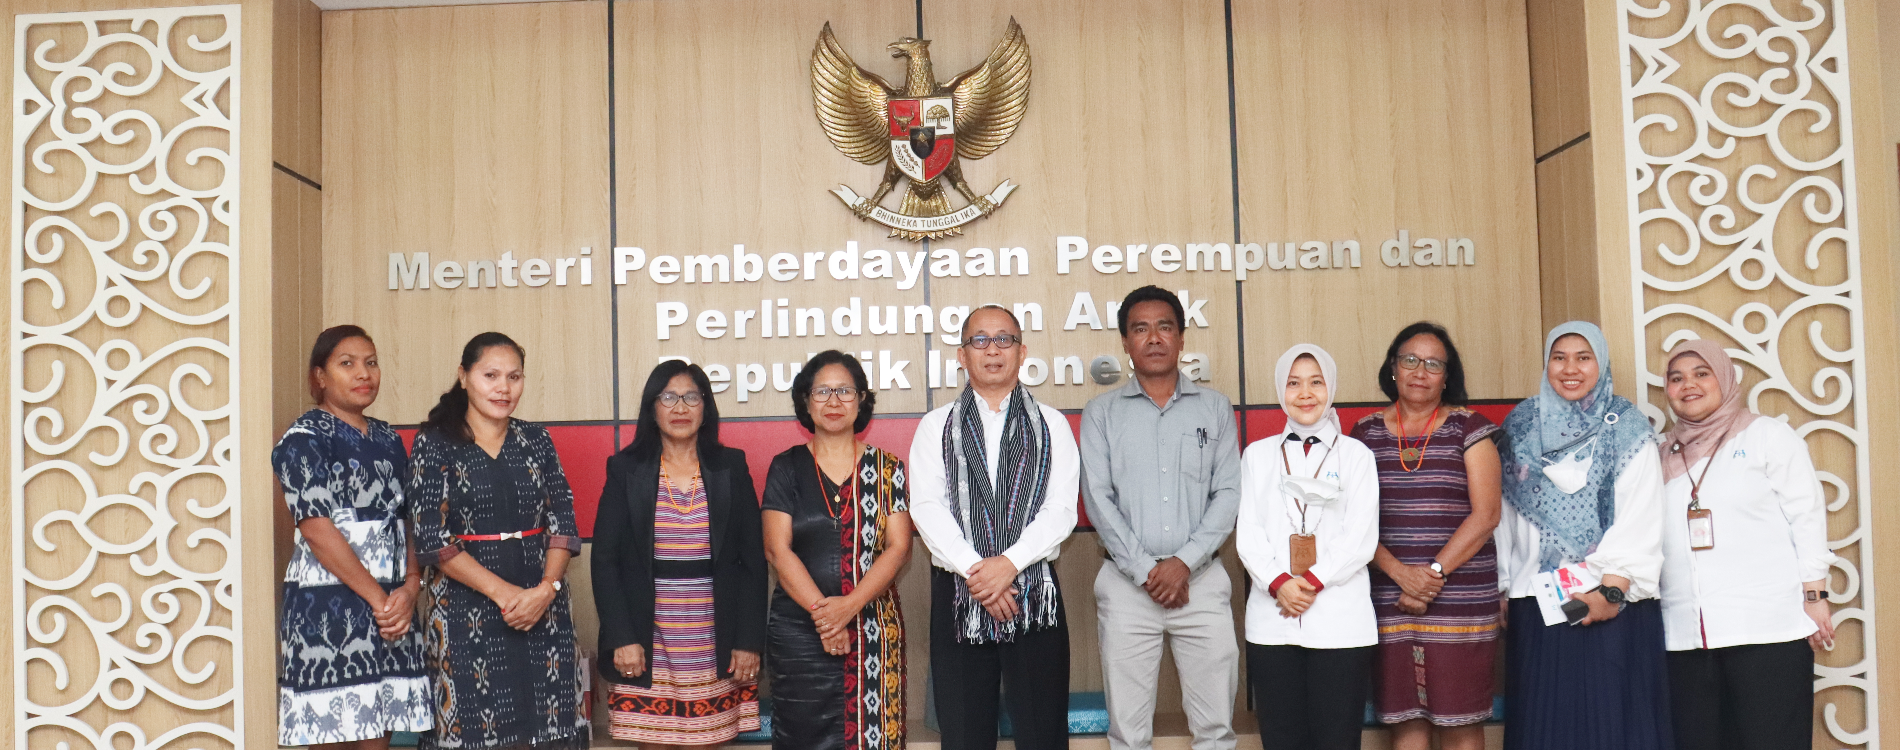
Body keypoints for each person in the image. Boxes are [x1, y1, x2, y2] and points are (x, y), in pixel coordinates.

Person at [907, 304, 1080, 750]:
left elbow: (1061, 510)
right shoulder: (935, 426)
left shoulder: (1052, 424)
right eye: (979, 340)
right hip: (959, 592)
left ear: (1022, 352)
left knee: (1043, 733)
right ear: (962, 355)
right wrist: (981, 574)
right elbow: (927, 509)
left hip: (1032, 591)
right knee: (965, 735)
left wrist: (1009, 564)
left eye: (1004, 339)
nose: (992, 350)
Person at [1080, 286, 1242, 750]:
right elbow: (1098, 499)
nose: (1154, 338)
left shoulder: (1215, 408)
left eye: (1164, 327)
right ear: (1125, 342)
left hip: (1202, 583)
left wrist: (1183, 563)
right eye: (1141, 328)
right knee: (1128, 735)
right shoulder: (1101, 413)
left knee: (1216, 731)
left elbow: (1228, 493)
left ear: (1182, 338)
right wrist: (1147, 570)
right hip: (1127, 586)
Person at [1495, 321, 1671, 750]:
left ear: (1601, 363)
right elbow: (1503, 512)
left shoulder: (1626, 425)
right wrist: (1503, 583)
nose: (1570, 369)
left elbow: (1642, 511)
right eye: (1559, 358)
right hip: (1536, 601)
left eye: (1583, 357)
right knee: (1546, 725)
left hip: (1610, 598)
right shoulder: (1521, 425)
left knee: (1609, 725)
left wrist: (1611, 591)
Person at [408, 332, 587, 750]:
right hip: (464, 610)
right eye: (490, 375)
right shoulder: (435, 442)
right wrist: (507, 595)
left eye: (514, 377)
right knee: (476, 730)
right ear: (464, 376)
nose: (503, 388)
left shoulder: (537, 439)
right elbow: (431, 537)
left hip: (544, 609)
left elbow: (562, 523)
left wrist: (545, 591)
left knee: (550, 729)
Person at [1656, 340, 1835, 750]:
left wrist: (1815, 595)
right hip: (1683, 638)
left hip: (1766, 629)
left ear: (1725, 379)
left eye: (1702, 374)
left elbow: (1806, 515)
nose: (1688, 385)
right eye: (1677, 378)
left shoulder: (1767, 436)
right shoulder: (1659, 452)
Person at [274, 325, 432, 749]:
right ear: (320, 376)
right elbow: (316, 530)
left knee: (378, 732)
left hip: (392, 609)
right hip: (329, 605)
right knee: (334, 731)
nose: (364, 373)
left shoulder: (388, 438)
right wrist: (380, 601)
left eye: (371, 362)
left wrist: (410, 587)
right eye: (347, 364)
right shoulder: (304, 437)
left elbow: (406, 520)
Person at [593, 360, 766, 747]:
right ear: (652, 408)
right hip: (646, 636)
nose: (680, 407)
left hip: (714, 636)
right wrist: (621, 637)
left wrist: (748, 641)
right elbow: (605, 561)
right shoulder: (625, 469)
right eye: (668, 397)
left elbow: (753, 562)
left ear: (706, 407)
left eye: (691, 397)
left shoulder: (731, 466)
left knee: (709, 739)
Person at [1349, 323, 1502, 748]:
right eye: (1410, 360)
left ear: (1447, 376)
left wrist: (1431, 575)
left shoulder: (1470, 429)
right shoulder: (1363, 434)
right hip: (1389, 596)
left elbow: (1487, 515)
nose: (1420, 371)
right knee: (1406, 724)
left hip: (1459, 600)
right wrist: (1402, 575)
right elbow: (1350, 522)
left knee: (1461, 724)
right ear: (1393, 367)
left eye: (1434, 364)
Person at [763, 351, 912, 750]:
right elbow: (777, 550)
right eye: (822, 392)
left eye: (844, 391)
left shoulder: (888, 469)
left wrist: (849, 607)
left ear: (861, 400)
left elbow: (899, 548)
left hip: (872, 627)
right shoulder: (786, 467)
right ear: (806, 401)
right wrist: (827, 617)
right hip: (799, 633)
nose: (833, 402)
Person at [1236, 344, 1380, 750]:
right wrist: (1280, 583)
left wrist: (1311, 582)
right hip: (1273, 621)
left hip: (1341, 624)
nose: (1305, 394)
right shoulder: (1257, 456)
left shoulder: (1356, 456)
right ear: (1280, 390)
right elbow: (1248, 534)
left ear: (1330, 387)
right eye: (1294, 383)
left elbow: (1360, 537)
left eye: (1316, 382)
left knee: (1337, 739)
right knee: (1281, 739)